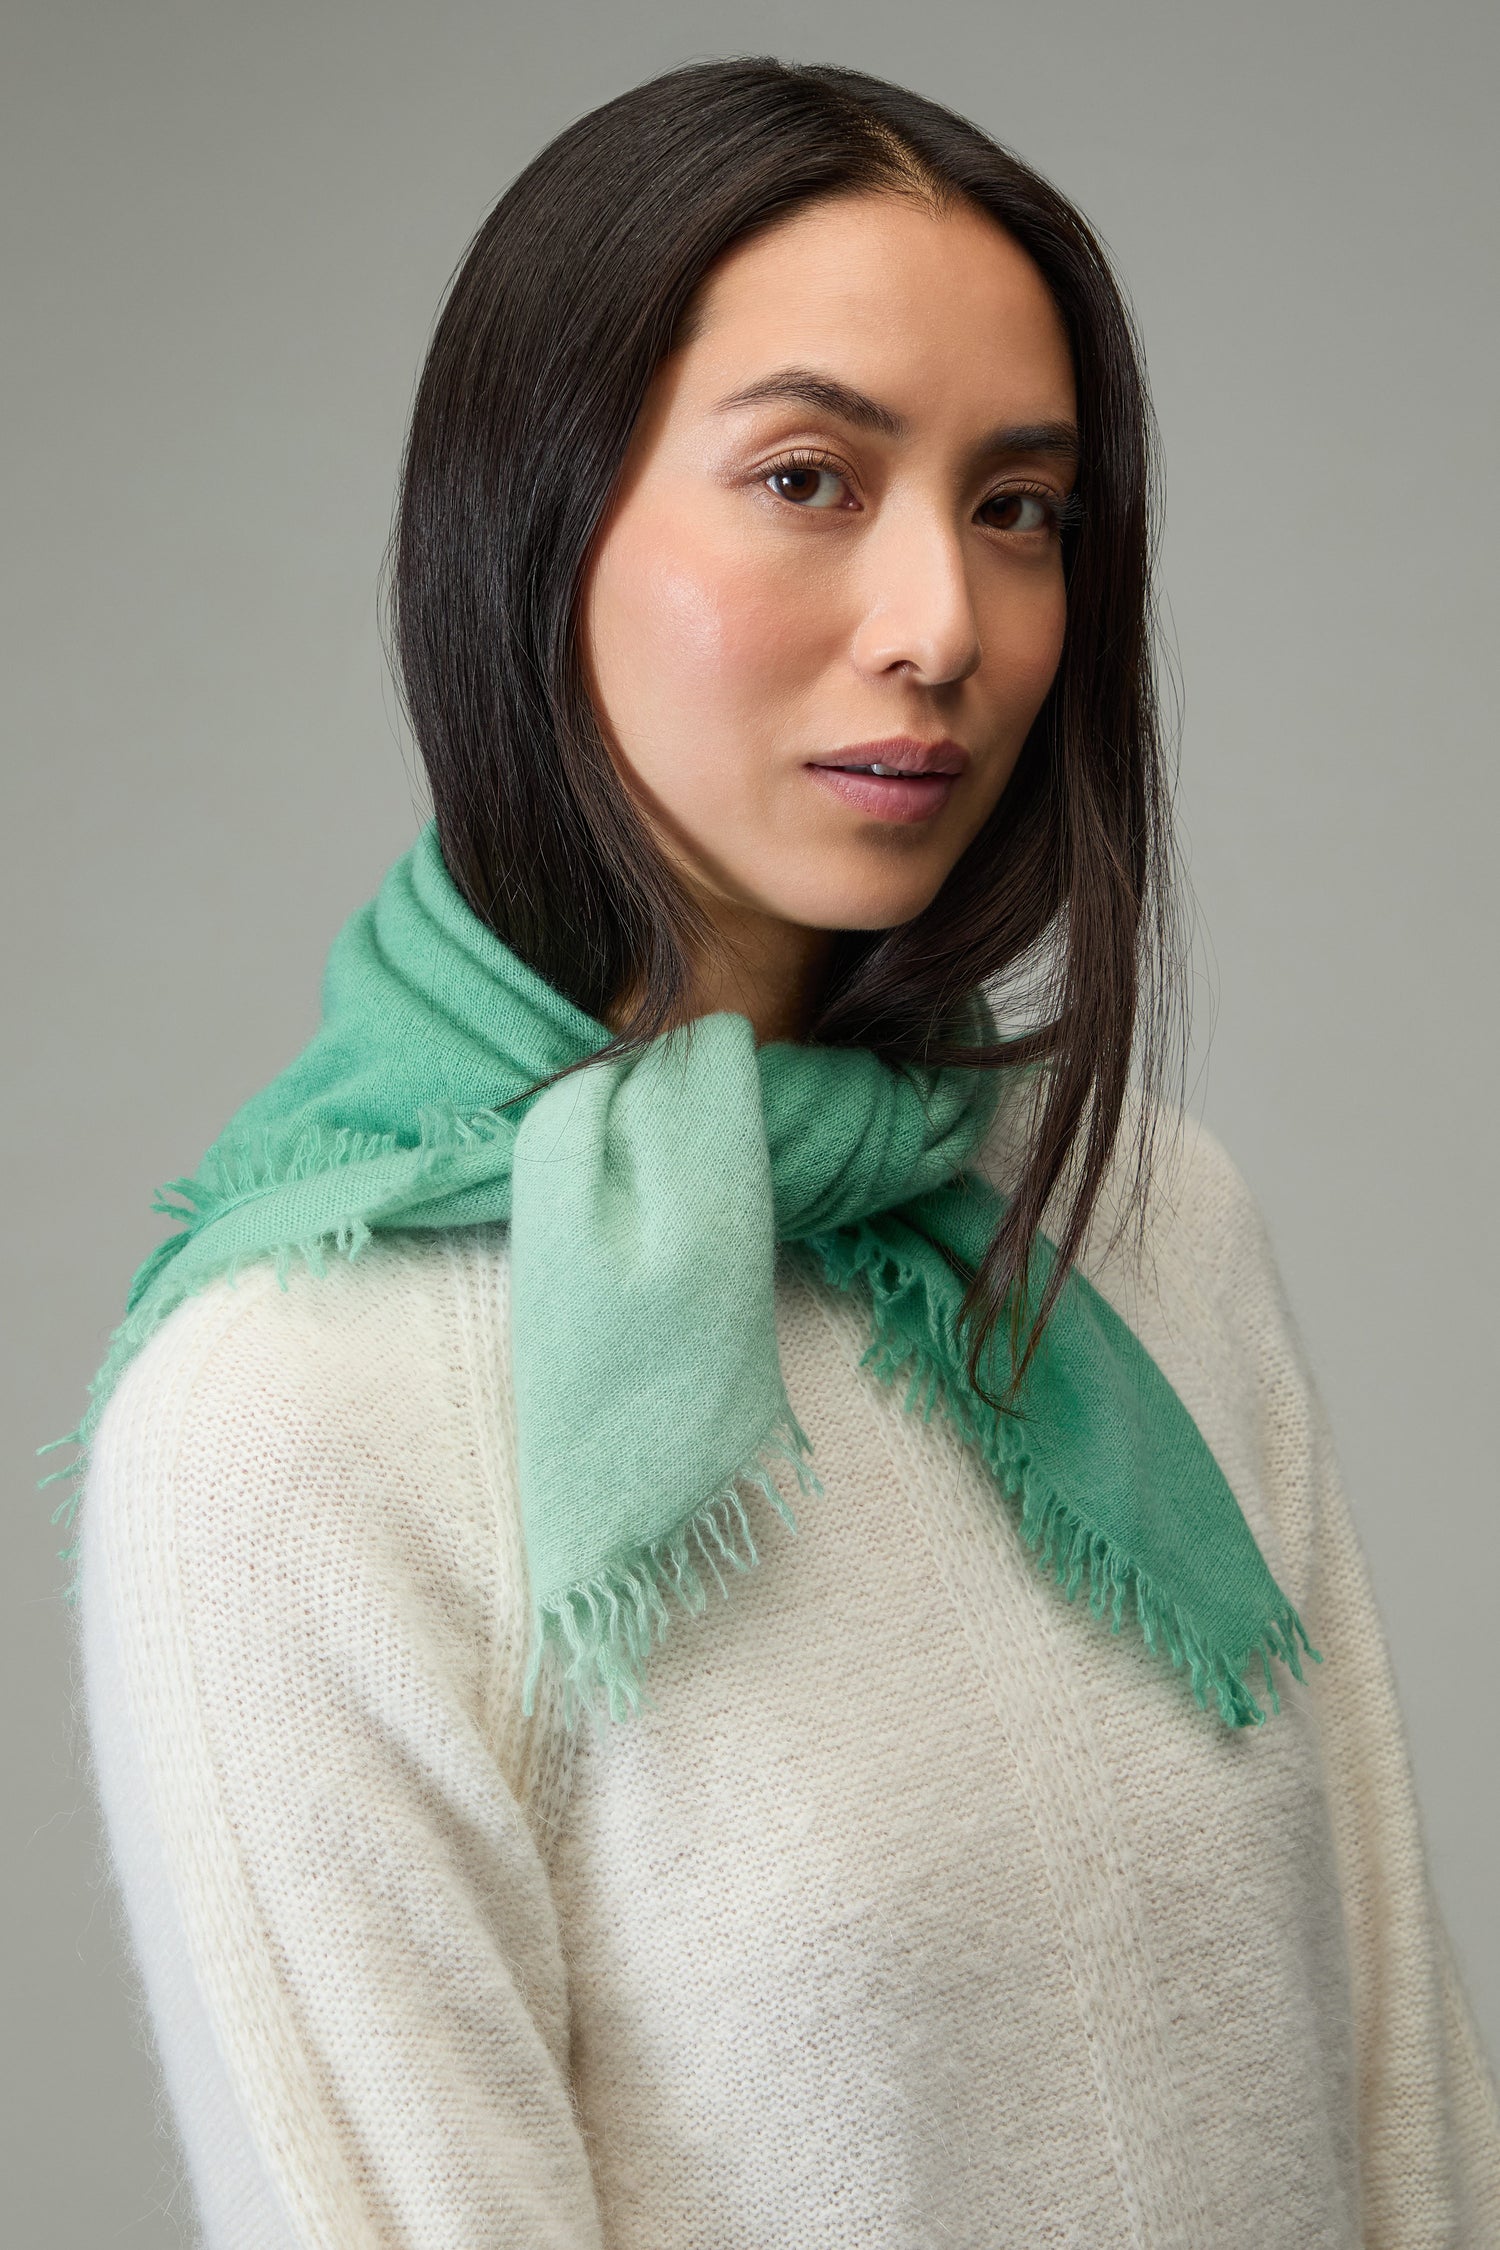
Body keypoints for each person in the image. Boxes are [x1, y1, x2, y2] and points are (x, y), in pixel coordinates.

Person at [72, 55, 1500, 2249]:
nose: (943, 622)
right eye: (814, 478)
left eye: (1019, 506)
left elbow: (1411, 2112)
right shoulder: (286, 1422)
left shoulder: (1136, 1226)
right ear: (537, 525)